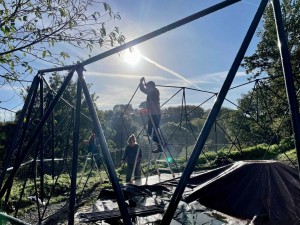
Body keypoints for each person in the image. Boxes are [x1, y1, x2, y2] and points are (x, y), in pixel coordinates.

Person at [139, 77, 162, 153]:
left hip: (155, 115)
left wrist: (142, 84)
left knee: (153, 131)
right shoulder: (152, 92)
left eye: (148, 86)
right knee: (150, 131)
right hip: (153, 114)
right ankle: (160, 145)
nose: (147, 87)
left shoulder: (154, 91)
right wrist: (143, 84)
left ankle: (160, 145)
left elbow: (145, 90)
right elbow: (145, 90)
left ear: (151, 86)